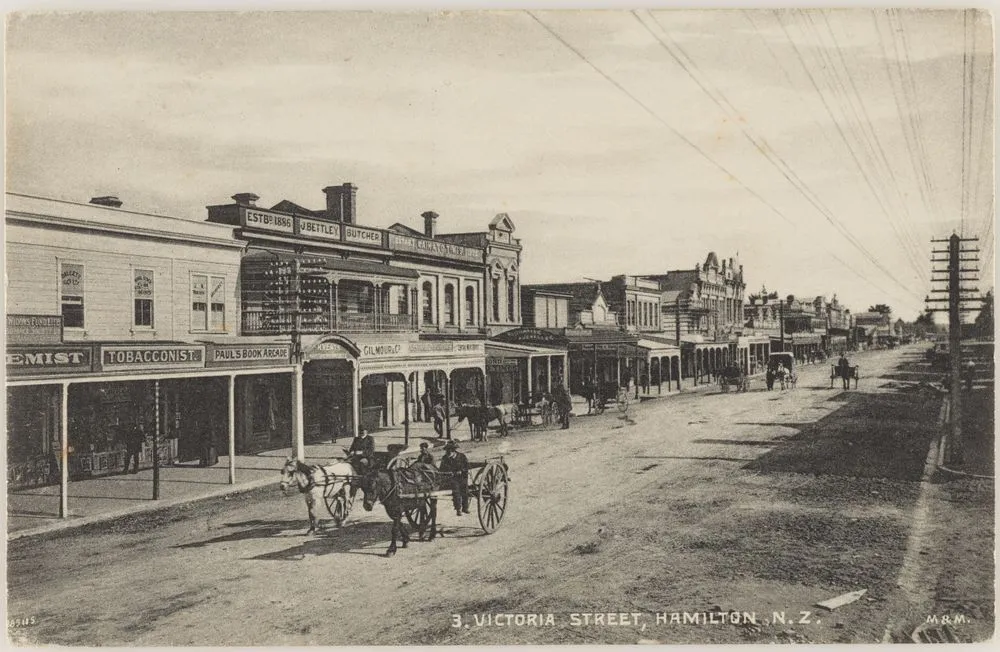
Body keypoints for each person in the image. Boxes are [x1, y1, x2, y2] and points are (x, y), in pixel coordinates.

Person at [439, 440, 469, 516]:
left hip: (461, 478)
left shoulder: (462, 456)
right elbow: (441, 469)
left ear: (453, 450)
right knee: (455, 489)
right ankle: (458, 508)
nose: (448, 452)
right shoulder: (445, 458)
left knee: (464, 491)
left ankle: (464, 507)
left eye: (449, 450)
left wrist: (461, 471)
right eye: (447, 450)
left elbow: (467, 466)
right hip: (450, 478)